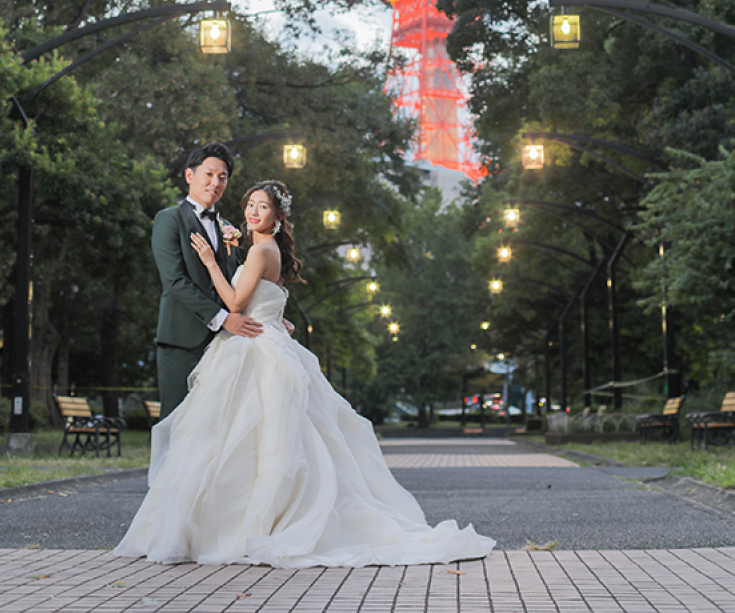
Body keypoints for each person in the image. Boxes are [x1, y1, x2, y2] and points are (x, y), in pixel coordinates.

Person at [116, 180, 495, 568]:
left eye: (262, 207)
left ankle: (249, 525)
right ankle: (243, 523)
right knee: (245, 437)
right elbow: (263, 297)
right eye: (249, 204)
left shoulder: (262, 250)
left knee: (245, 435)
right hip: (265, 339)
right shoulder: (265, 249)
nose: (252, 212)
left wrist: (212, 262)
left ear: (278, 217)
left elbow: (234, 302)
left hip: (254, 347)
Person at [152, 142, 263, 419]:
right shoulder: (169, 220)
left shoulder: (229, 228)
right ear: (190, 175)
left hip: (224, 345)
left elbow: (239, 279)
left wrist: (269, 314)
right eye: (209, 174)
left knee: (215, 428)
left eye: (222, 178)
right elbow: (175, 281)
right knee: (175, 425)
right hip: (182, 343)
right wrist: (223, 318)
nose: (216, 183)